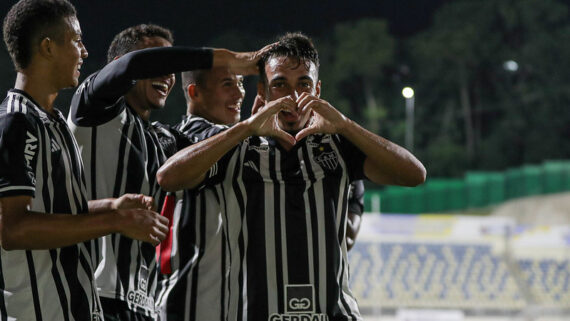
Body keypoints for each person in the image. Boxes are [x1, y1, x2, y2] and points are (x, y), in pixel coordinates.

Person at [157, 32, 426, 321]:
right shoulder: (239, 147)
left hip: (333, 314)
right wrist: (246, 128)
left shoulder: (339, 146)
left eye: (304, 84)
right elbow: (168, 178)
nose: (294, 97)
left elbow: (414, 174)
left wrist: (346, 125)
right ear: (263, 91)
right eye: (280, 85)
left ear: (318, 90)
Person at [67, 24, 268, 320]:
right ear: (117, 67)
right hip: (93, 297)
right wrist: (228, 59)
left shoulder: (164, 139)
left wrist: (254, 123)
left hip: (143, 305)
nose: (166, 75)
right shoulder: (94, 109)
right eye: (159, 62)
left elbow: (214, 152)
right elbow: (135, 65)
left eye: (170, 67)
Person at [0, 1, 169, 320]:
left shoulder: (55, 123)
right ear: (48, 48)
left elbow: (51, 213)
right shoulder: (16, 122)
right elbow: (14, 229)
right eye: (76, 40)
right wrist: (117, 222)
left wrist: (112, 206)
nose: (85, 52)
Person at [155, 67, 246, 321]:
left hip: (193, 301)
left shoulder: (226, 140)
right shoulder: (193, 136)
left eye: (241, 83)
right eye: (228, 84)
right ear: (194, 92)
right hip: (190, 304)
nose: (239, 93)